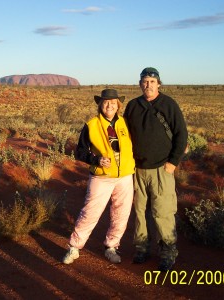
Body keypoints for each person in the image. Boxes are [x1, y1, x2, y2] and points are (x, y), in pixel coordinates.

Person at [123, 67, 188, 271]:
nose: (148, 85)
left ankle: (168, 251)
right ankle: (141, 248)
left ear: (158, 83)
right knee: (140, 211)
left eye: (152, 81)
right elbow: (125, 135)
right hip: (138, 169)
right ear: (140, 83)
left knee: (163, 211)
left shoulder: (168, 104)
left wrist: (173, 162)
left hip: (162, 168)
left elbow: (181, 134)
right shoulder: (133, 106)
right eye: (145, 81)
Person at [62, 89, 135, 265]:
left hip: (125, 176)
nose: (109, 105)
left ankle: (111, 246)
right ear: (100, 104)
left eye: (113, 102)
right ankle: (74, 247)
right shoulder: (91, 125)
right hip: (101, 177)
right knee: (90, 212)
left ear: (118, 105)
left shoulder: (126, 123)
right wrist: (95, 160)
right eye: (105, 102)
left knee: (121, 214)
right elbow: (79, 152)